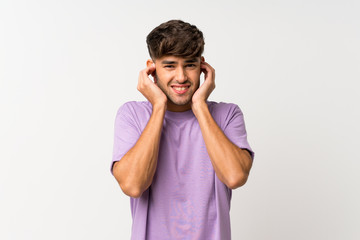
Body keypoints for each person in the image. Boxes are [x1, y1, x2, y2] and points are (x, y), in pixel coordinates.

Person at [110, 19, 254, 240]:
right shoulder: (132, 115)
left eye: (189, 64)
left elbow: (235, 176)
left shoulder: (227, 115)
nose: (181, 77)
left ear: (202, 66)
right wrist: (159, 106)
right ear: (152, 68)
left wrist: (199, 106)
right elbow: (133, 185)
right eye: (169, 65)